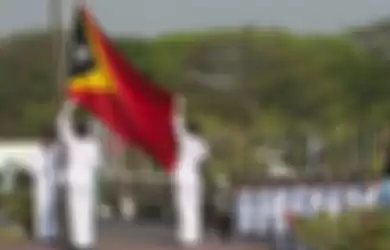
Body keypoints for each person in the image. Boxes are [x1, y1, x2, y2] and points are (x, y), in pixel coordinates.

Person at [56, 100, 102, 250]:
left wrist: (69, 106)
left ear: (77, 131)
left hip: (74, 181)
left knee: (75, 211)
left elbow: (61, 124)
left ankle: (77, 242)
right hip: (87, 182)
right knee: (86, 212)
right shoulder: (93, 145)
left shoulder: (73, 142)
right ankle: (85, 241)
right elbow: (97, 165)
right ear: (88, 131)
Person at [172, 97, 210, 247]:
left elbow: (176, 124)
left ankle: (185, 237)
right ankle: (193, 236)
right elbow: (204, 159)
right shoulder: (202, 143)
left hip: (181, 174)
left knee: (183, 205)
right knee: (194, 205)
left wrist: (178, 105)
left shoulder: (184, 139)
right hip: (194, 176)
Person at [14, 125, 60, 244]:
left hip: (52, 183)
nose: (48, 140)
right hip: (41, 184)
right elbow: (29, 167)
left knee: (52, 209)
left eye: (50, 138)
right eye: (46, 138)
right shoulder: (36, 151)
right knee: (41, 209)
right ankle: (42, 234)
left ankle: (52, 234)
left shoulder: (54, 150)